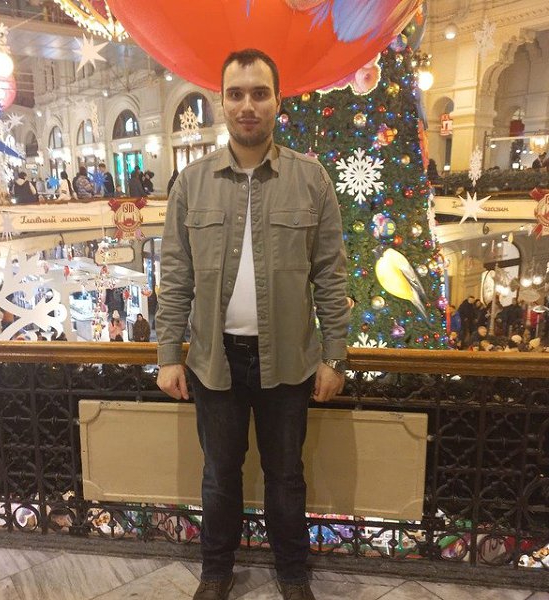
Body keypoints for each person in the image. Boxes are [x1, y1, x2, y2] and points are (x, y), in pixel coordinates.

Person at [156, 48, 349, 600]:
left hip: (288, 359)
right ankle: (216, 572)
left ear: (277, 102)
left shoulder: (311, 180)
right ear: (221, 102)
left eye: (259, 93)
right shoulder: (191, 183)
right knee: (219, 475)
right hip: (213, 361)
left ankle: (293, 574)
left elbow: (331, 274)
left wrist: (335, 356)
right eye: (236, 94)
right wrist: (167, 354)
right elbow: (176, 276)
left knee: (286, 476)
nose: (247, 105)